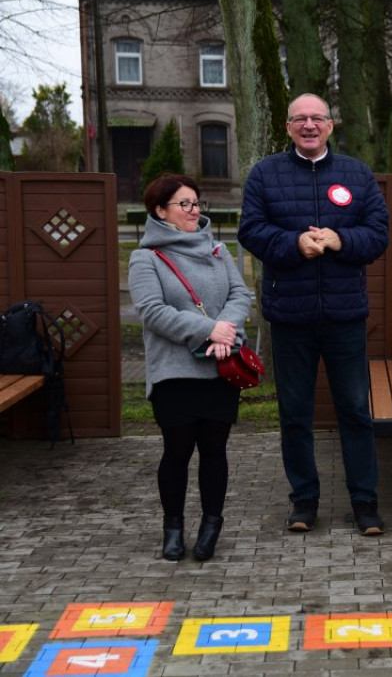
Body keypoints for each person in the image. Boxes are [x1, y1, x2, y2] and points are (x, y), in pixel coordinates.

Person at [238, 93, 389, 536]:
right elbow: (251, 229)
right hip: (290, 316)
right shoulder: (265, 175)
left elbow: (378, 234)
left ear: (330, 125)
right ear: (288, 127)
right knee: (295, 413)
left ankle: (365, 502)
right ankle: (303, 501)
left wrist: (341, 241)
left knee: (356, 411)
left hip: (344, 316)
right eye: (299, 119)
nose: (308, 125)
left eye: (316, 118)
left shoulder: (356, 174)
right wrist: (293, 245)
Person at [129, 174, 252, 561]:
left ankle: (211, 525)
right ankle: (173, 527)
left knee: (215, 450)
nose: (194, 210)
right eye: (185, 204)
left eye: (197, 203)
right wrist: (208, 329)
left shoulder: (217, 250)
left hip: (220, 369)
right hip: (174, 373)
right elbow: (152, 312)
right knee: (177, 451)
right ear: (160, 211)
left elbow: (240, 294)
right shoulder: (145, 257)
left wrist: (224, 333)